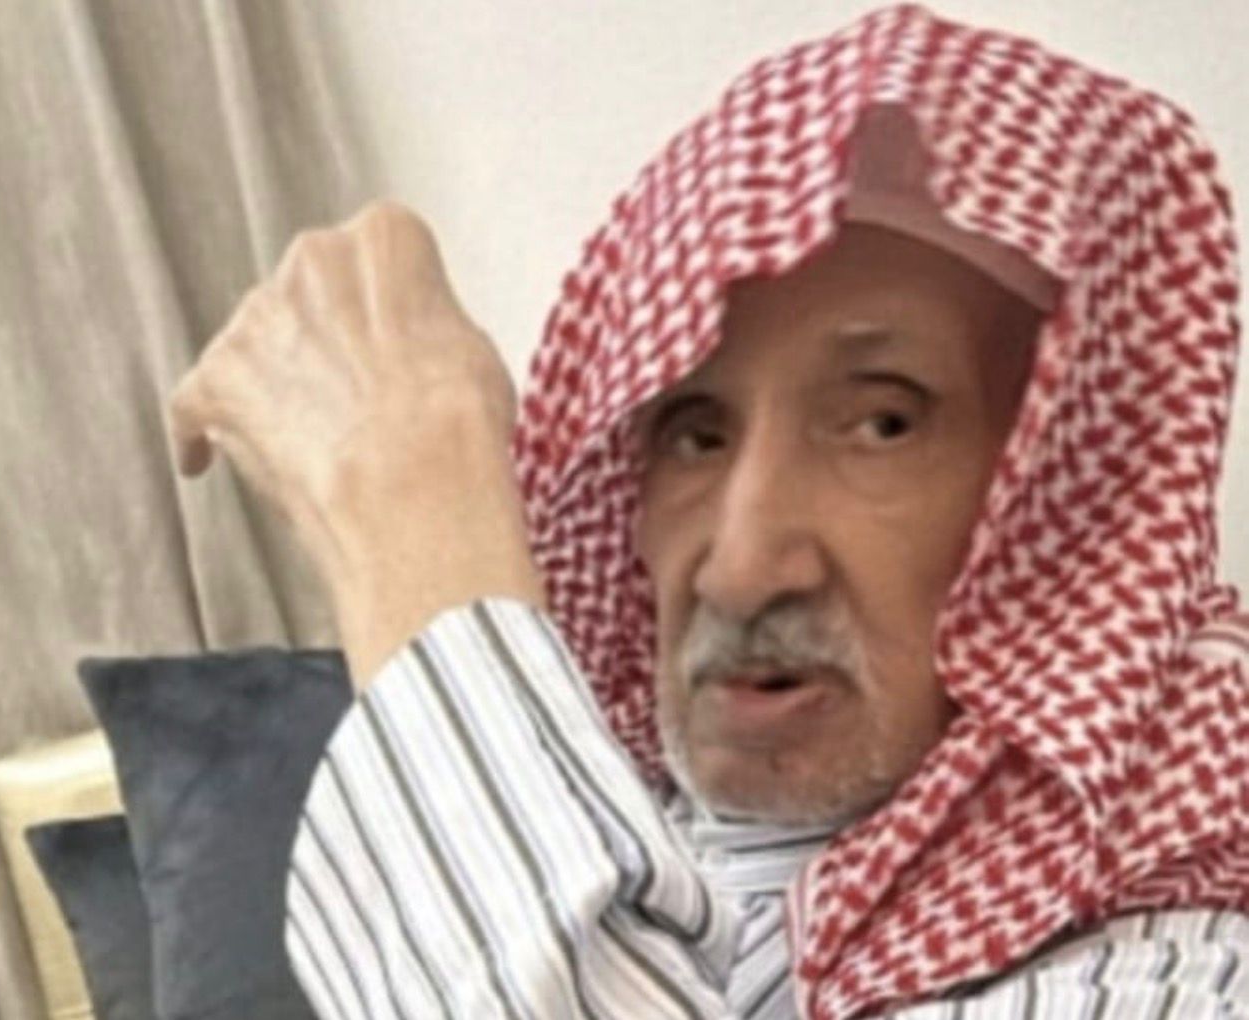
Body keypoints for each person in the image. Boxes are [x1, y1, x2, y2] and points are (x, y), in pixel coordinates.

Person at [168, 5, 1249, 1017]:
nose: (739, 567)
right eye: (694, 432)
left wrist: (412, 516)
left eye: (882, 423)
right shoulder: (643, 849)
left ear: (1078, 512)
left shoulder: (1184, 973)